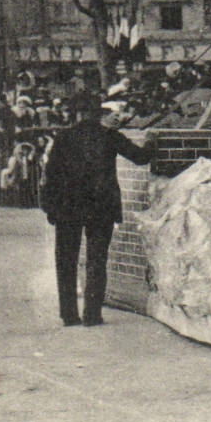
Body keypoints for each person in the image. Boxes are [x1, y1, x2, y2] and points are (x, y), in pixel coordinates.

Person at [41, 98, 156, 327]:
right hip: (100, 208)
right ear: (101, 116)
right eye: (113, 115)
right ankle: (92, 315)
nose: (117, 119)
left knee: (65, 260)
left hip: (67, 207)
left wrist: (50, 208)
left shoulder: (63, 137)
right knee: (96, 260)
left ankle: (69, 314)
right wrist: (152, 140)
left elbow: (50, 174)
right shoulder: (110, 136)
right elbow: (141, 157)